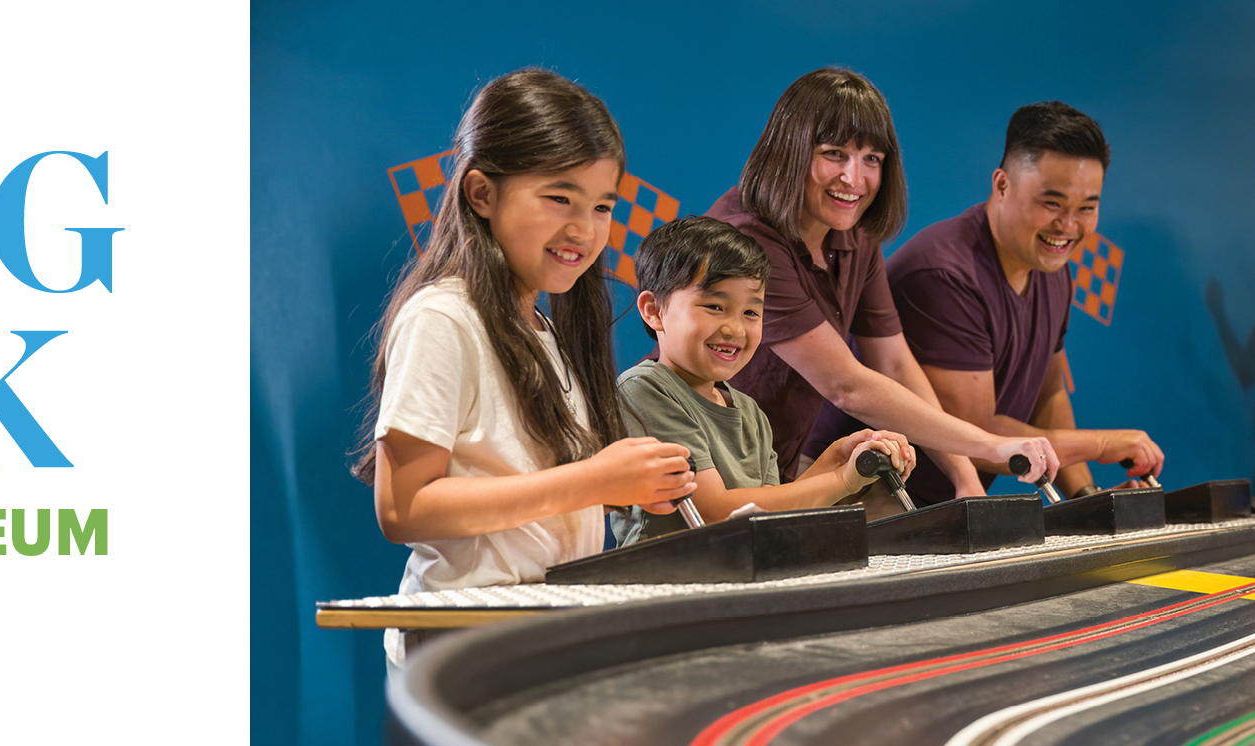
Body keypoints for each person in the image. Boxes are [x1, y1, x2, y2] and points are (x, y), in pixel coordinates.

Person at [354, 68, 695, 666]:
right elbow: (402, 508)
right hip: (464, 647)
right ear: (482, 193)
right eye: (559, 198)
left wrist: (630, 486)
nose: (583, 230)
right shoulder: (444, 316)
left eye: (600, 207)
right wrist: (595, 480)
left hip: (543, 635)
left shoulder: (547, 329)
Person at [703, 67, 1057, 501]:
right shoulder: (747, 235)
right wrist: (991, 446)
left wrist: (963, 478)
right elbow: (846, 385)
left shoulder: (854, 231)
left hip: (775, 471)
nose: (855, 180)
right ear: (790, 150)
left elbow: (893, 365)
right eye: (834, 154)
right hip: (703, 471)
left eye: (872, 159)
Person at [879, 101, 1162, 502]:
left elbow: (1048, 396)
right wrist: (1099, 445)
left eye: (1087, 208)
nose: (1068, 226)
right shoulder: (943, 274)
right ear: (1001, 185)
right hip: (873, 506)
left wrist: (1086, 497)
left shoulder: (1051, 268)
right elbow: (980, 435)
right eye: (1052, 204)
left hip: (951, 513)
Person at [612, 216, 914, 544]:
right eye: (715, 306)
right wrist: (841, 480)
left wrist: (836, 461)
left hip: (740, 581)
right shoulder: (644, 390)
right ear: (653, 310)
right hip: (665, 585)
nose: (735, 329)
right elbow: (712, 514)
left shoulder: (749, 412)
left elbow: (769, 514)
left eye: (751, 313)